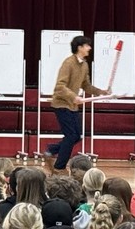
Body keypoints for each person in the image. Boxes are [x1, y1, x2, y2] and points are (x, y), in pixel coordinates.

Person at [45, 36, 107, 174]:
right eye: (87, 45)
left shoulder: (84, 65)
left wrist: (100, 92)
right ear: (79, 47)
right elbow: (60, 86)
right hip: (61, 104)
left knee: (77, 136)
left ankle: (51, 150)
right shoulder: (68, 63)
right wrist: (74, 96)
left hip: (72, 105)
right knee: (71, 135)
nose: (89, 48)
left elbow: (86, 85)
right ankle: (59, 167)